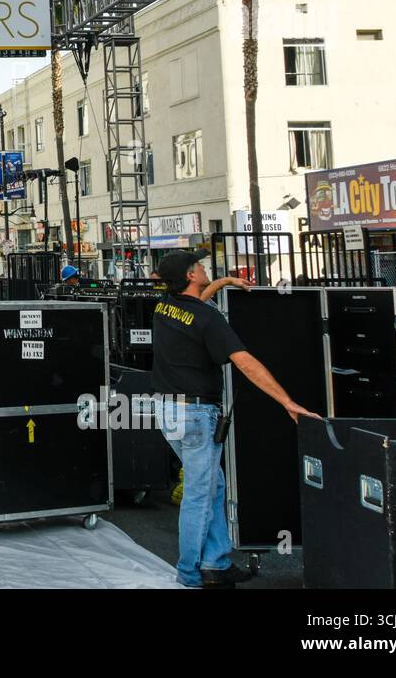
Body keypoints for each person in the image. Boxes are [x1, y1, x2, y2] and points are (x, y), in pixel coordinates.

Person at [151, 250, 320, 589]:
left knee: (213, 486)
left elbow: (198, 303)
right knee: (199, 493)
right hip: (196, 413)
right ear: (188, 275)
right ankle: (189, 573)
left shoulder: (164, 308)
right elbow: (245, 363)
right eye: (198, 265)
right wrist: (287, 402)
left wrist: (224, 282)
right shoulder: (209, 320)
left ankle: (216, 562)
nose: (203, 267)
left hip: (166, 410)